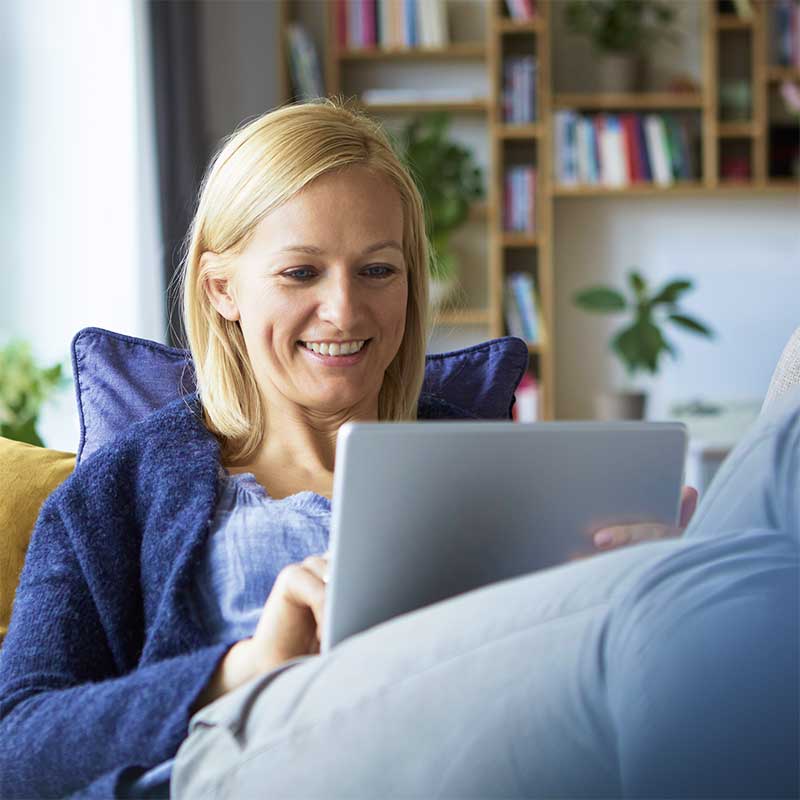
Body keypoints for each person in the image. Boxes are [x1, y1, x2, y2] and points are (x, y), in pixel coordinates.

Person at [0, 98, 794, 800]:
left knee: (757, 496)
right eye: (301, 271)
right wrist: (240, 668)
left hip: (504, 753)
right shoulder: (122, 490)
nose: (344, 310)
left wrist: (638, 575)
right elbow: (17, 743)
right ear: (222, 289)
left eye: (378, 269)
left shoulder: (491, 462)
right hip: (251, 764)